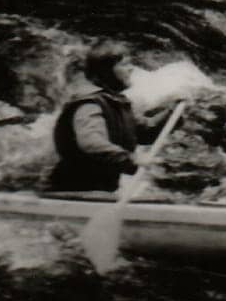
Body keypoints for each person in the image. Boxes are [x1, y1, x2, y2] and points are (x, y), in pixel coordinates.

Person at [46, 42, 171, 195]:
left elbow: (145, 132)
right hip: (72, 190)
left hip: (100, 190)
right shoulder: (89, 105)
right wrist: (132, 159)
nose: (132, 69)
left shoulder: (115, 102)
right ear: (107, 71)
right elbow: (91, 143)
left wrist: (173, 112)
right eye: (125, 64)